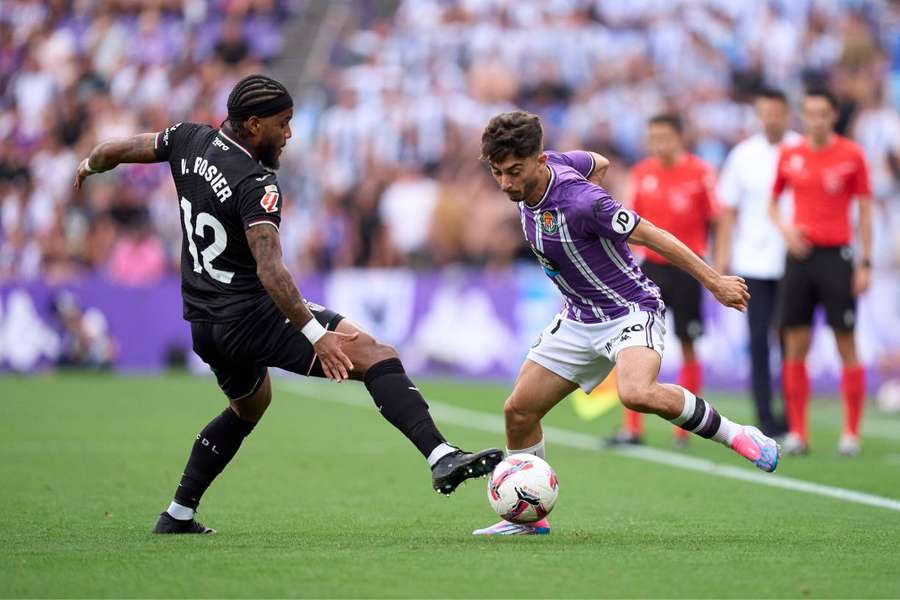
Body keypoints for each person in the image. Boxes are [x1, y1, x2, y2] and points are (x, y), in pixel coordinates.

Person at [73, 74, 502, 535]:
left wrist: (90, 164)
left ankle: (178, 513)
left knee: (249, 406)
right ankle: (441, 456)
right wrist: (316, 336)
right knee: (377, 355)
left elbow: (120, 148)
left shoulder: (187, 138)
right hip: (250, 313)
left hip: (204, 322)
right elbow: (271, 270)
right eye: (284, 123)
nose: (289, 134)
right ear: (254, 125)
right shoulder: (256, 183)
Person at [473, 111, 780, 536]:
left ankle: (738, 434)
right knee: (518, 411)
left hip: (629, 310)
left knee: (635, 393)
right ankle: (529, 519)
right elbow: (599, 161)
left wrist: (715, 282)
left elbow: (652, 234)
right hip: (579, 316)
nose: (506, 183)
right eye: (497, 172)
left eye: (514, 172)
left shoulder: (582, 202)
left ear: (540, 161)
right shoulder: (560, 164)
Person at [768, 88, 873, 456]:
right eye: (810, 113)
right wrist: (786, 230)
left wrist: (865, 261)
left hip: (837, 257)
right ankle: (798, 432)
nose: (816, 120)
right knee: (795, 343)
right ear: (803, 115)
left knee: (846, 340)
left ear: (833, 116)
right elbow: (773, 203)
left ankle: (851, 433)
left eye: (823, 113)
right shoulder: (789, 154)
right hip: (800, 258)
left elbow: (864, 209)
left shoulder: (851, 154)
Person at [608, 114, 717, 448]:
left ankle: (684, 429)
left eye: (665, 136)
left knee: (688, 343)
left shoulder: (700, 172)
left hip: (687, 269)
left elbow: (719, 216)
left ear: (680, 137)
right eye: (653, 137)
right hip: (651, 271)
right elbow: (625, 223)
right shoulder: (642, 173)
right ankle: (632, 428)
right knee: (633, 344)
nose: (659, 143)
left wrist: (719, 260)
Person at [716, 88, 800, 437]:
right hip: (752, 261)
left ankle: (795, 415)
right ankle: (766, 416)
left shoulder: (801, 149)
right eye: (765, 112)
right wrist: (721, 260)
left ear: (786, 113)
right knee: (758, 339)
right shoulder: (743, 155)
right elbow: (727, 210)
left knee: (793, 340)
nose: (771, 119)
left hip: (793, 260)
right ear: (758, 115)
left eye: (777, 112)